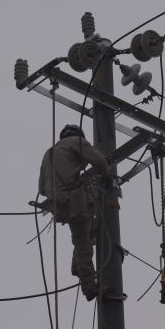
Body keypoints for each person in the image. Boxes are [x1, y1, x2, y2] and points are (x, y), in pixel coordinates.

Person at [38, 124, 110, 301]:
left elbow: (41, 189)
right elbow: (100, 161)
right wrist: (106, 177)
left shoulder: (49, 153)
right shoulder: (76, 142)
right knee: (83, 243)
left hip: (58, 205)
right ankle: (89, 287)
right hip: (74, 200)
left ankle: (77, 266)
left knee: (86, 232)